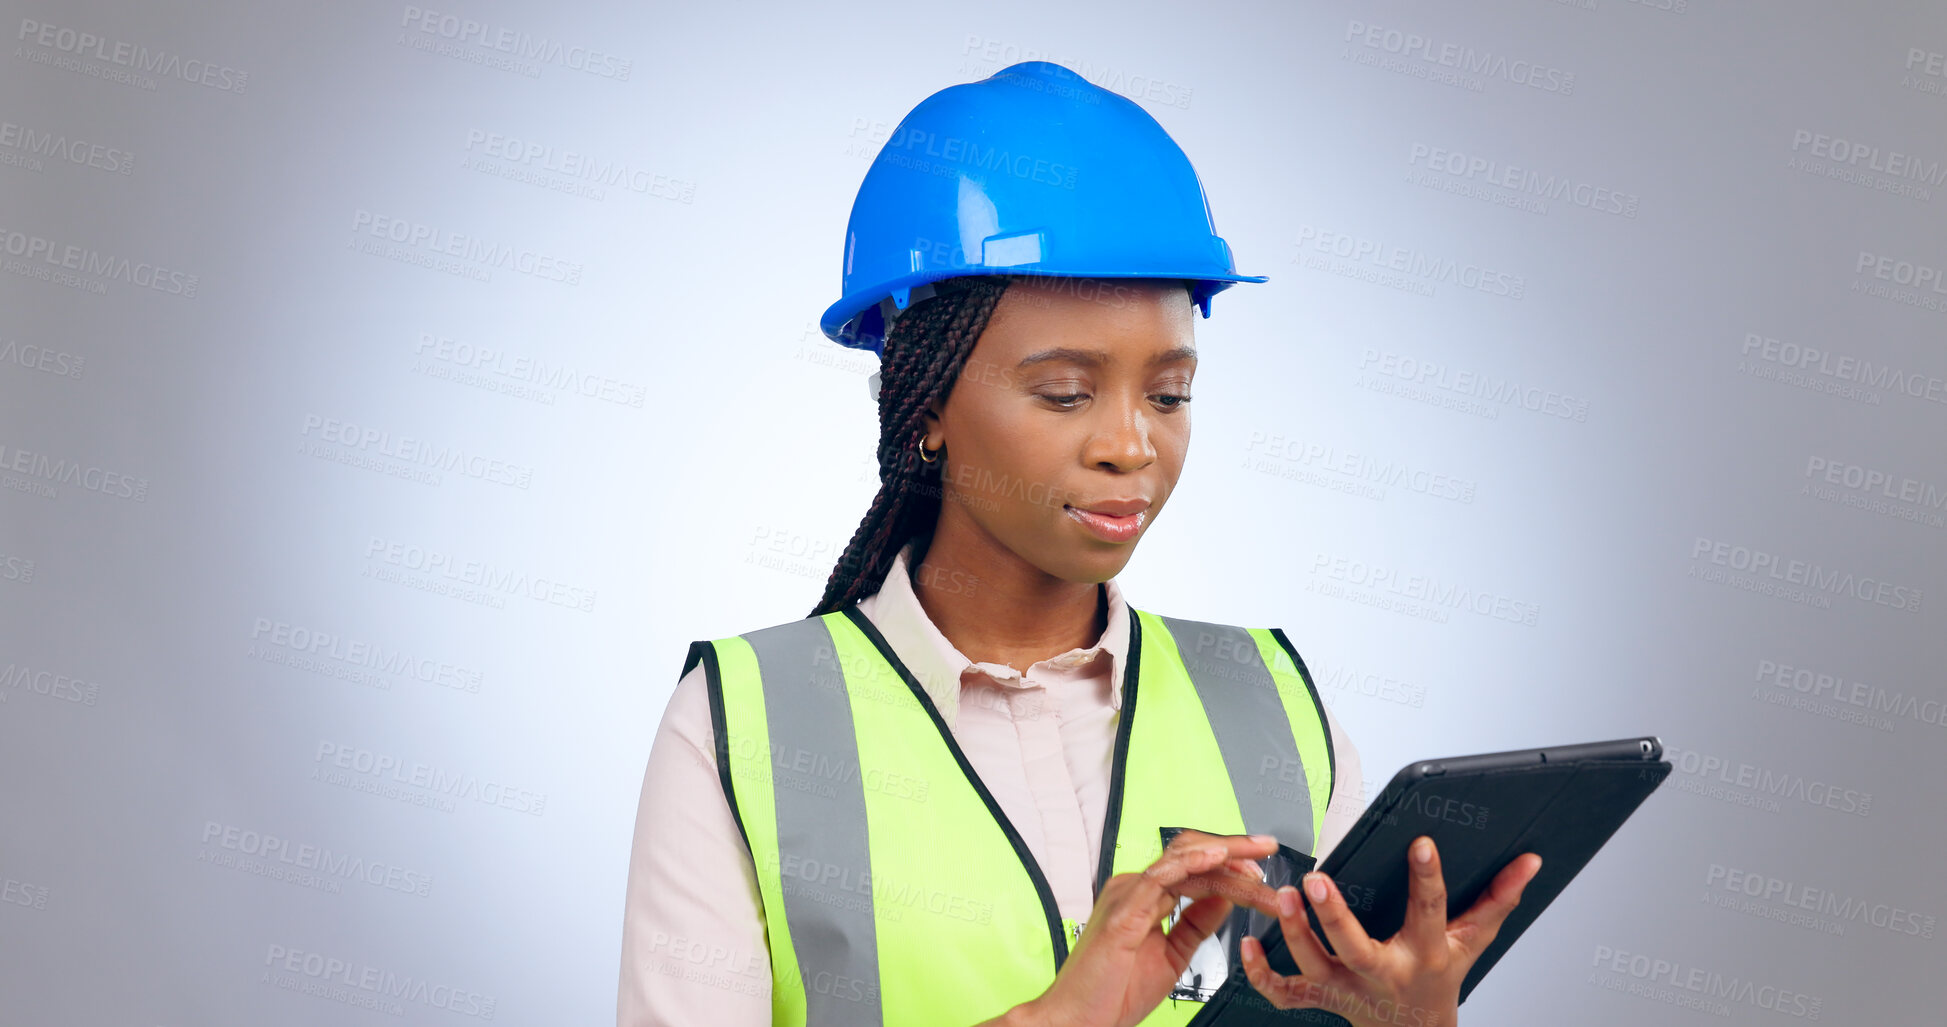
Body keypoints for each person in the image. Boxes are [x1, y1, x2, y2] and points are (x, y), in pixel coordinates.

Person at [618, 61, 1540, 1027]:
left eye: (1169, 393)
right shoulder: (742, 724)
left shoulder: (1270, 699)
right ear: (924, 405)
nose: (1130, 444)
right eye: (1065, 392)